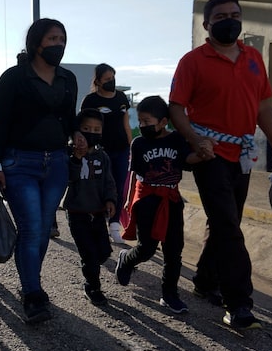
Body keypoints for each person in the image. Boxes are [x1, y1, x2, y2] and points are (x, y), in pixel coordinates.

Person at [169, 0, 272, 330]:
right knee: (227, 225)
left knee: (228, 220)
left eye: (234, 15)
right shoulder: (192, 61)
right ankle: (239, 303)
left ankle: (206, 280)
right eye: (220, 16)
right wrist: (196, 141)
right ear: (207, 25)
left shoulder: (253, 58)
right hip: (209, 155)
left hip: (243, 154)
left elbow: (263, 107)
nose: (229, 20)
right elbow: (176, 108)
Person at [0, 18, 78, 324]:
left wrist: (77, 135)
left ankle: (30, 282)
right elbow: (0, 125)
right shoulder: (14, 78)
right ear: (37, 43)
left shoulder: (68, 79)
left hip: (57, 164)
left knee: (40, 231)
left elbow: (69, 118)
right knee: (32, 227)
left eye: (62, 39)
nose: (58, 45)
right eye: (52, 39)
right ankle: (32, 293)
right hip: (19, 162)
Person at [114, 96, 208, 313]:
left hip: (172, 200)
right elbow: (134, 175)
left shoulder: (176, 140)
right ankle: (127, 260)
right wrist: (128, 201)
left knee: (174, 250)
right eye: (141, 121)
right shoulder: (139, 143)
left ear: (164, 121)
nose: (144, 126)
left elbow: (187, 160)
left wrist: (203, 154)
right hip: (147, 199)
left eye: (148, 122)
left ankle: (169, 294)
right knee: (146, 248)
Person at [63, 108, 116, 306]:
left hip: (98, 213)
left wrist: (111, 200)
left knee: (103, 252)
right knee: (90, 254)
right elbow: (69, 178)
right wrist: (76, 158)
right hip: (77, 214)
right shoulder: (69, 154)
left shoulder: (103, 156)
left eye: (96, 129)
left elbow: (109, 182)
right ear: (77, 130)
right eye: (86, 128)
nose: (91, 133)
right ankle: (92, 286)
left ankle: (92, 267)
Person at [80, 64, 133, 244]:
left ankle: (115, 225)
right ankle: (98, 223)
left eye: (113, 78)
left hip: (121, 150)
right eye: (107, 79)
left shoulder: (121, 98)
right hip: (99, 152)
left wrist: (131, 145)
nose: (111, 82)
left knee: (119, 187)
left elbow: (126, 124)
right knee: (99, 187)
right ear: (98, 81)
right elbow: (83, 126)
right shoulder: (90, 101)